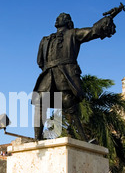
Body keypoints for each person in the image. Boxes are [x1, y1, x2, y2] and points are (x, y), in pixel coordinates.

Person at [32, 12, 118, 140]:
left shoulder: (73, 34)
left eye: (61, 17)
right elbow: (40, 61)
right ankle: (37, 139)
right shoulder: (45, 40)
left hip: (65, 74)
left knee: (68, 102)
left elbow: (93, 31)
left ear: (68, 22)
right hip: (48, 75)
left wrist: (108, 18)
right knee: (39, 101)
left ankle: (83, 139)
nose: (57, 18)